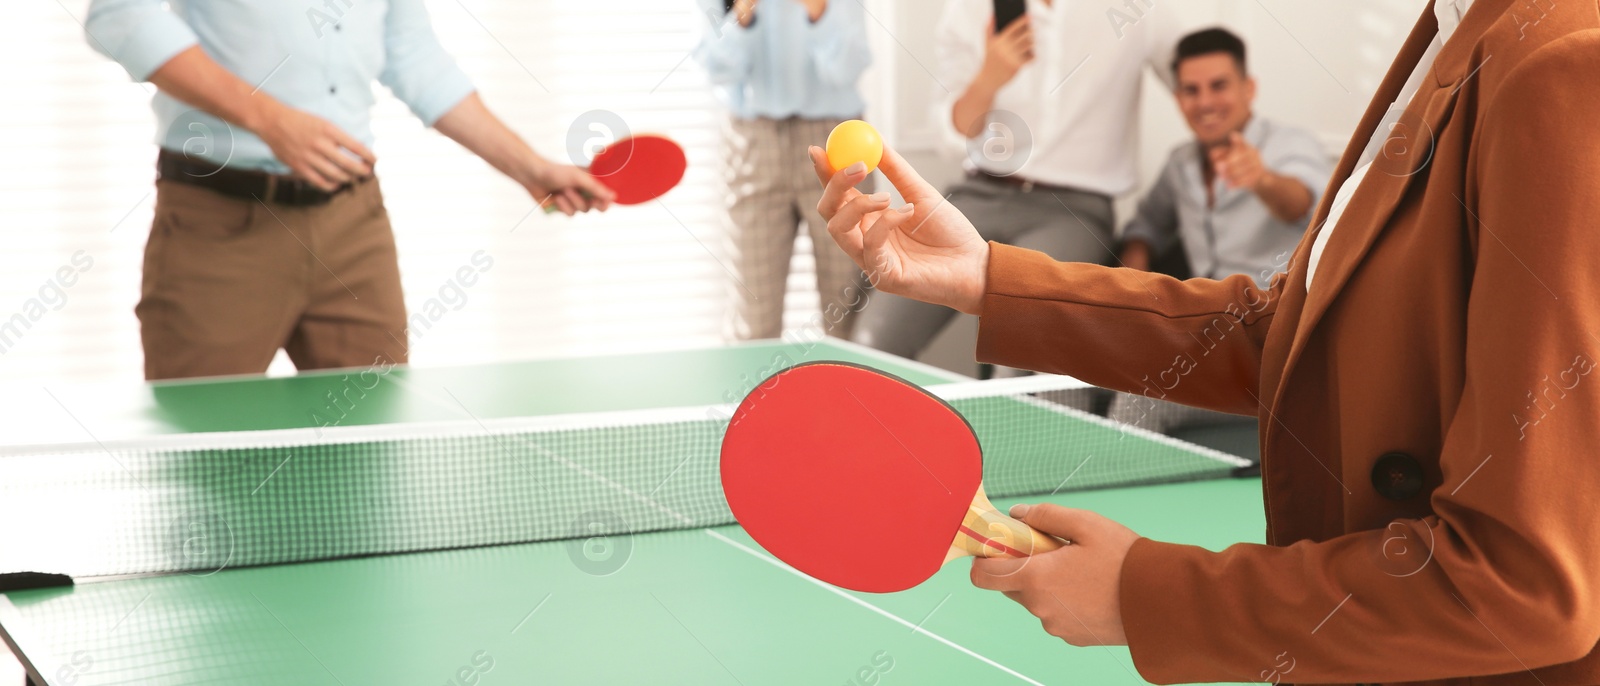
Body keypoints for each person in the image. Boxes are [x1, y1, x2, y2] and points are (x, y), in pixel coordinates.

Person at [809, 0, 1600, 682]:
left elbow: (1522, 586)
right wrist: (989, 279)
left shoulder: (1563, 64)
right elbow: (1292, 337)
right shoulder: (1452, 30)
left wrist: (1146, 594)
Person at [84, 0, 614, 380]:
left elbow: (412, 54)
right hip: (220, 222)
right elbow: (119, 15)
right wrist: (269, 119)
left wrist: (530, 167)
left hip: (355, 227)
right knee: (205, 457)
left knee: (366, 454)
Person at [850, 0, 1180, 364]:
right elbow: (950, 136)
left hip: (1073, 212)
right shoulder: (969, 9)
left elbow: (1200, 80)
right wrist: (990, 76)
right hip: (978, 194)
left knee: (1023, 359)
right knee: (872, 343)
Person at [1108, 27, 1332, 436]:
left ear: (1249, 88)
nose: (1205, 101)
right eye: (1191, 90)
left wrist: (1262, 180)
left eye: (1219, 86)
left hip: (1273, 339)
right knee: (1087, 367)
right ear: (1178, 99)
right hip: (1205, 334)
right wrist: (1135, 280)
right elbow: (1146, 224)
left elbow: (1308, 204)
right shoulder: (1180, 164)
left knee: (1138, 401)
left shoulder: (1289, 145)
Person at [694, 0, 873, 341]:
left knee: (851, 314)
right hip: (752, 140)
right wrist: (743, 12)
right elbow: (715, 68)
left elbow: (847, 68)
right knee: (753, 322)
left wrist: (817, 9)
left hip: (835, 139)